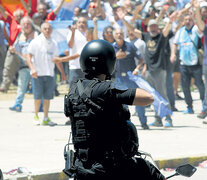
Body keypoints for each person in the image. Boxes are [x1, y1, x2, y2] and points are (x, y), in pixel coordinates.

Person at [63, 39, 165, 180]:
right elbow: (148, 98)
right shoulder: (105, 89)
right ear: (109, 62)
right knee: (148, 170)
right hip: (110, 166)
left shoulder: (74, 89)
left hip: (81, 166)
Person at [117, 8, 175, 127]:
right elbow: (132, 30)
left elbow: (166, 30)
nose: (153, 28)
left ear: (157, 28)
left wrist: (170, 21)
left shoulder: (161, 37)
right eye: (151, 26)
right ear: (148, 28)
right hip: (148, 71)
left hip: (159, 70)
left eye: (155, 26)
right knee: (152, 96)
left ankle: (168, 118)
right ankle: (158, 119)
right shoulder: (146, 36)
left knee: (162, 94)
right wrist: (123, 19)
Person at [26, 22, 65, 126]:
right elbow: (28, 56)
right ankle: (36, 115)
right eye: (45, 29)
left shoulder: (54, 43)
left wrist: (62, 72)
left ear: (51, 30)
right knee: (37, 97)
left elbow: (57, 59)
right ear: (42, 30)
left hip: (50, 74)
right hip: (37, 74)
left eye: (49, 29)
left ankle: (46, 117)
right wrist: (32, 69)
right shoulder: (35, 42)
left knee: (47, 97)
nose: (47, 30)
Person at [170, 2, 205, 115]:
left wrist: (196, 9)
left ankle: (204, 106)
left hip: (196, 64)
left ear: (193, 21)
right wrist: (173, 54)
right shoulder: (180, 31)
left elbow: (201, 29)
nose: (188, 22)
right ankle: (189, 107)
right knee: (185, 87)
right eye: (186, 20)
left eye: (190, 20)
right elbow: (175, 43)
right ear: (183, 21)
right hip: (184, 64)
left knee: (200, 85)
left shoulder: (196, 29)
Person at [113, 28, 149, 129]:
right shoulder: (111, 47)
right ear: (114, 36)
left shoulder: (130, 46)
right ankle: (125, 123)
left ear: (123, 35)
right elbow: (107, 61)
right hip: (119, 79)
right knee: (122, 103)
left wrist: (137, 69)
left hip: (131, 78)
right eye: (117, 33)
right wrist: (116, 57)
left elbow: (141, 59)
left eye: (121, 33)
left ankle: (143, 122)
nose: (119, 35)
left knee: (137, 99)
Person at [9, 16, 38, 112]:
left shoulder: (36, 34)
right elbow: (15, 47)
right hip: (23, 64)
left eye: (28, 23)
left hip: (35, 65)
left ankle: (40, 105)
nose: (26, 25)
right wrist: (12, 50)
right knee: (21, 85)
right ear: (21, 25)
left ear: (31, 25)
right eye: (24, 24)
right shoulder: (20, 35)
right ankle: (18, 104)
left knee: (36, 86)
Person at [0, 7, 24, 92]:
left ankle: (28, 86)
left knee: (25, 68)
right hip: (12, 48)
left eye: (21, 15)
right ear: (14, 16)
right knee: (8, 68)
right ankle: (4, 86)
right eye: (17, 16)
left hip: (23, 49)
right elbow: (3, 11)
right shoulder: (11, 20)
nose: (19, 17)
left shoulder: (26, 22)